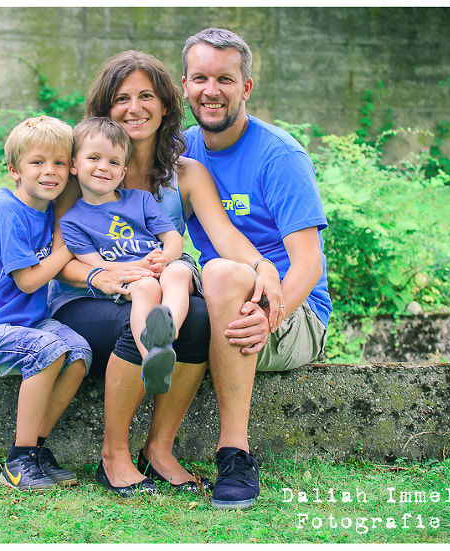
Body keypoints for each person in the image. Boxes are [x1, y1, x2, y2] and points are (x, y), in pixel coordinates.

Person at [49, 50, 283, 499]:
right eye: (121, 98)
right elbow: (58, 253)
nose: (134, 108)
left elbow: (224, 233)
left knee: (196, 318)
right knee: (132, 321)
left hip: (156, 288)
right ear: (105, 108)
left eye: (146, 95)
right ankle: (114, 455)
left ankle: (158, 449)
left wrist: (263, 265)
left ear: (166, 104)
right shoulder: (82, 168)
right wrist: (101, 277)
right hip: (85, 298)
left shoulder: (185, 171)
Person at [181, 28, 332, 509]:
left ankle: (234, 455)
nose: (211, 91)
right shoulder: (179, 152)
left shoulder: (279, 155)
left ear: (245, 87)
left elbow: (309, 261)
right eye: (200, 78)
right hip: (224, 301)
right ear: (184, 84)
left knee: (223, 273)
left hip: (292, 310)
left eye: (225, 79)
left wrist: (273, 316)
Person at [0, 116, 92, 491]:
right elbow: (29, 280)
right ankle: (17, 460)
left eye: (60, 163)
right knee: (47, 351)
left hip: (25, 325)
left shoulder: (47, 209)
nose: (50, 171)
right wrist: (68, 248)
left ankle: (37, 450)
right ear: (14, 170)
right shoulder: (7, 211)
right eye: (37, 162)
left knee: (78, 353)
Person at [60, 116, 191, 396]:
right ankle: (152, 358)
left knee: (179, 273)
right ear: (74, 165)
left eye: (114, 162)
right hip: (128, 278)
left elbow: (172, 238)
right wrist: (139, 267)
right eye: (94, 158)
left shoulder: (141, 200)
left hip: (161, 265)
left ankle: (166, 333)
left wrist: (165, 257)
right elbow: (97, 265)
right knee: (145, 286)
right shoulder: (72, 221)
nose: (103, 167)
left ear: (123, 172)